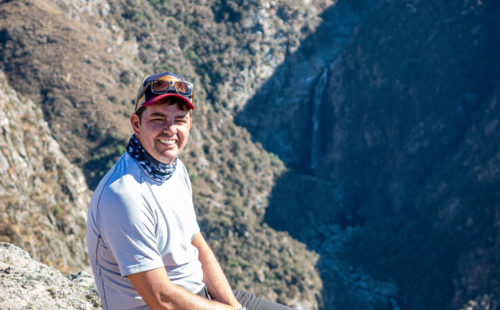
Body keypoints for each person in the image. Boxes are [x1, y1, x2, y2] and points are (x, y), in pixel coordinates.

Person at [86, 71, 294, 310]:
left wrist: (233, 305)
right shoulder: (124, 195)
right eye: (158, 119)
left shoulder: (175, 170)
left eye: (179, 120)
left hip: (199, 298)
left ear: (189, 124)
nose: (170, 129)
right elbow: (160, 298)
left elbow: (196, 243)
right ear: (136, 123)